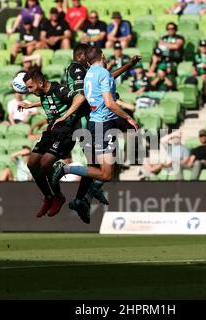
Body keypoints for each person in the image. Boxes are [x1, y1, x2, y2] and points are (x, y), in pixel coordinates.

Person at [50, 46, 140, 224]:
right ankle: (66, 170)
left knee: (104, 169)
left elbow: (106, 79)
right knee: (105, 173)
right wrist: (129, 117)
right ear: (103, 56)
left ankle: (83, 199)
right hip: (102, 124)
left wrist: (128, 65)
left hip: (97, 123)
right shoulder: (92, 72)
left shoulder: (90, 73)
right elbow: (109, 102)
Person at [19, 68, 85, 218]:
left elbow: (80, 97)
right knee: (31, 163)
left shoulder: (59, 89)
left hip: (66, 132)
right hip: (51, 131)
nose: (29, 90)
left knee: (45, 163)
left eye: (31, 87)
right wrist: (31, 105)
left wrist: (65, 116)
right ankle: (49, 197)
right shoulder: (43, 92)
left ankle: (58, 196)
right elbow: (50, 101)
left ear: (41, 83)